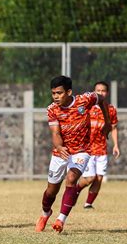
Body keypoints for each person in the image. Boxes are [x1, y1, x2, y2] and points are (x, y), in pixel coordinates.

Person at [35, 76, 111, 233]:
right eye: (53, 93)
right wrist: (59, 146)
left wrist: (107, 122)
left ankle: (60, 220)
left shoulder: (85, 100)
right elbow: (55, 132)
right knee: (51, 191)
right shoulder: (52, 109)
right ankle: (45, 213)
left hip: (82, 151)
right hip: (60, 152)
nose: (56, 97)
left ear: (69, 92)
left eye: (59, 93)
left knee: (71, 180)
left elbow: (102, 99)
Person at [77, 81, 119, 208]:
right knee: (90, 178)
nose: (101, 93)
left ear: (107, 93)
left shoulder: (110, 109)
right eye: (98, 90)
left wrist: (116, 144)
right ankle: (75, 190)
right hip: (87, 149)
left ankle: (88, 204)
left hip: (101, 149)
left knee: (99, 178)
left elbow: (113, 128)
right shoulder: (88, 107)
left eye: (103, 91)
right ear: (94, 92)